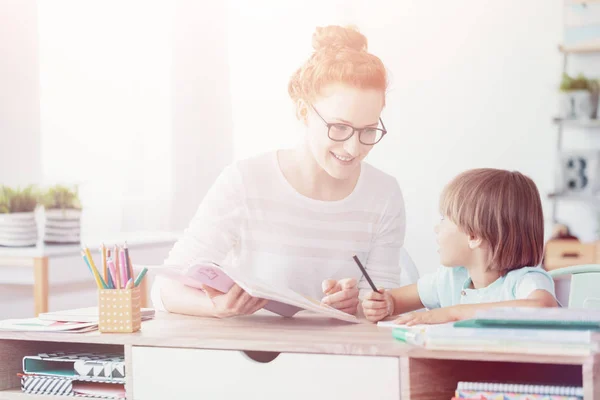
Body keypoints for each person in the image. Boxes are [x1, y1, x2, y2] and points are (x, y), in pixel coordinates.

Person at [151, 25, 407, 318]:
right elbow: (164, 289)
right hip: (253, 356)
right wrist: (217, 308)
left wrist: (359, 306)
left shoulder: (383, 194)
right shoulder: (245, 182)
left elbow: (382, 304)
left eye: (368, 130)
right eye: (339, 127)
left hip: (337, 357)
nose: (353, 148)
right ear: (302, 112)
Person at [362, 168, 558, 325]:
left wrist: (452, 313)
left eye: (444, 219)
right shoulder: (450, 279)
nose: (437, 228)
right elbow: (395, 301)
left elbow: (543, 309)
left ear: (473, 235)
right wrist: (385, 304)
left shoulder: (525, 281)